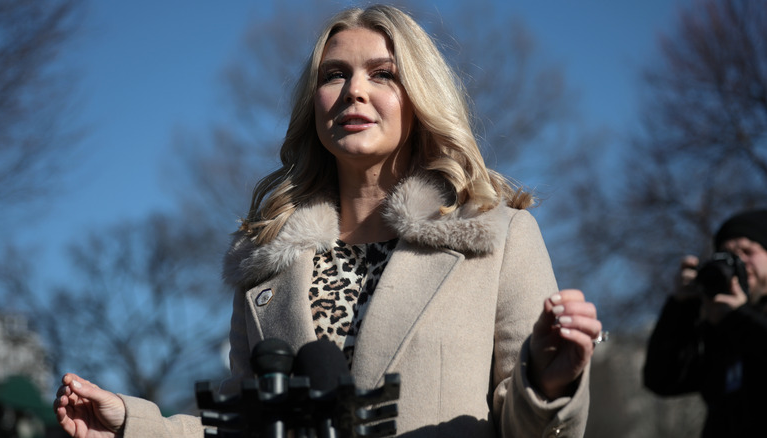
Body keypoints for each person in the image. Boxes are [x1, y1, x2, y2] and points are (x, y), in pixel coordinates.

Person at [53, 5, 603, 437]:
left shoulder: (498, 237)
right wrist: (132, 425)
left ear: (419, 99)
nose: (354, 91)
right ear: (314, 103)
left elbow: (531, 427)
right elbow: (243, 425)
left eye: (383, 74)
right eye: (334, 74)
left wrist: (548, 383)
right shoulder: (264, 265)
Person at [644, 209, 767, 437]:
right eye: (728, 255)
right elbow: (661, 379)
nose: (740, 261)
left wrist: (737, 317)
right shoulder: (717, 327)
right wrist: (681, 306)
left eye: (748, 251)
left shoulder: (733, 322)